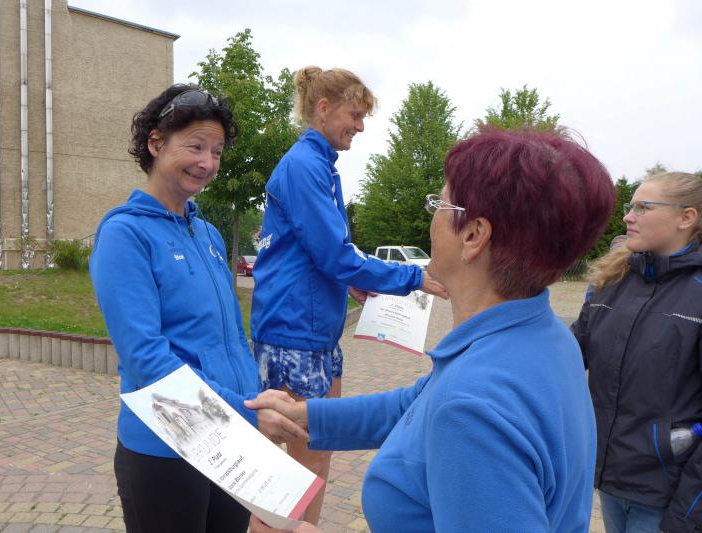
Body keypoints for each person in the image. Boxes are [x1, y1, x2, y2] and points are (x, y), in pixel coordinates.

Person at [247, 127, 615, 533]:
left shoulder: (472, 410)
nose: (432, 216)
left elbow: (454, 410)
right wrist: (305, 416)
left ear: (473, 235)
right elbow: (414, 406)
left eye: (440, 203)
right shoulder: (546, 338)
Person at [89, 84, 307, 533]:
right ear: (156, 143)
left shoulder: (207, 234)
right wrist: (246, 410)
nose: (208, 162)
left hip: (229, 443)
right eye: (195, 146)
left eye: (217, 151)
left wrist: (257, 397)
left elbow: (232, 337)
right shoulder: (125, 235)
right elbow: (146, 360)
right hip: (165, 449)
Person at [249, 66, 445, 524]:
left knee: (316, 456)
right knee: (291, 469)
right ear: (324, 108)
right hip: (294, 335)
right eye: (355, 115)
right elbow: (335, 255)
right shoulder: (304, 166)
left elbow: (316, 253)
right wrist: (413, 278)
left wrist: (346, 280)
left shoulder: (319, 165)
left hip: (313, 334)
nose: (360, 126)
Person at [571, 172, 702, 533]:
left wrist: (687, 514)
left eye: (643, 207)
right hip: (608, 482)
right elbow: (568, 355)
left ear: (686, 217)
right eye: (630, 207)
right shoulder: (611, 280)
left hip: (668, 497)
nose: (628, 216)